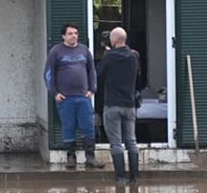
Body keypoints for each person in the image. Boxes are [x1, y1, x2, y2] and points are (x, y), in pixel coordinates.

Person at [44, 23, 105, 169]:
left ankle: (90, 157)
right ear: (63, 36)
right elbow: (48, 74)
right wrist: (55, 93)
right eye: (70, 33)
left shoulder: (84, 50)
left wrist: (92, 90)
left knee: (88, 126)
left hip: (83, 97)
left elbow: (92, 71)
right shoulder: (56, 51)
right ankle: (71, 157)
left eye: (76, 33)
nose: (74, 36)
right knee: (68, 127)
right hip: (65, 98)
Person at [97, 27, 139, 183]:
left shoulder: (109, 57)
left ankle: (120, 177)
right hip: (129, 104)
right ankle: (134, 178)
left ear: (113, 40)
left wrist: (106, 55)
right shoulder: (134, 56)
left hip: (113, 104)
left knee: (116, 143)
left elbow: (99, 75)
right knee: (131, 141)